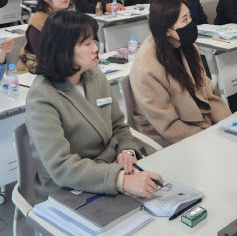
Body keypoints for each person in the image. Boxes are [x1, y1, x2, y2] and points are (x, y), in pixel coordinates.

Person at [26, 11, 163, 202]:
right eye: (87, 43)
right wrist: (121, 180)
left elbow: (118, 125)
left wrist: (126, 150)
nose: (96, 48)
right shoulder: (42, 96)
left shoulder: (93, 75)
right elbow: (61, 167)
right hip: (68, 186)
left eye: (94, 40)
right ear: (63, 50)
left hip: (110, 168)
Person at [129, 0, 230, 147]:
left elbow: (206, 94)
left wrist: (230, 124)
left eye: (190, 17)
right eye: (184, 20)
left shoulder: (187, 46)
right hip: (165, 135)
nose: (191, 23)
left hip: (197, 121)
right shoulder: (148, 66)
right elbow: (167, 125)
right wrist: (210, 138)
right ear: (167, 30)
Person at [17, 0, 71, 74]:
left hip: (63, 66)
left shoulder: (67, 16)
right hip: (34, 71)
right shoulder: (38, 20)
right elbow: (44, 56)